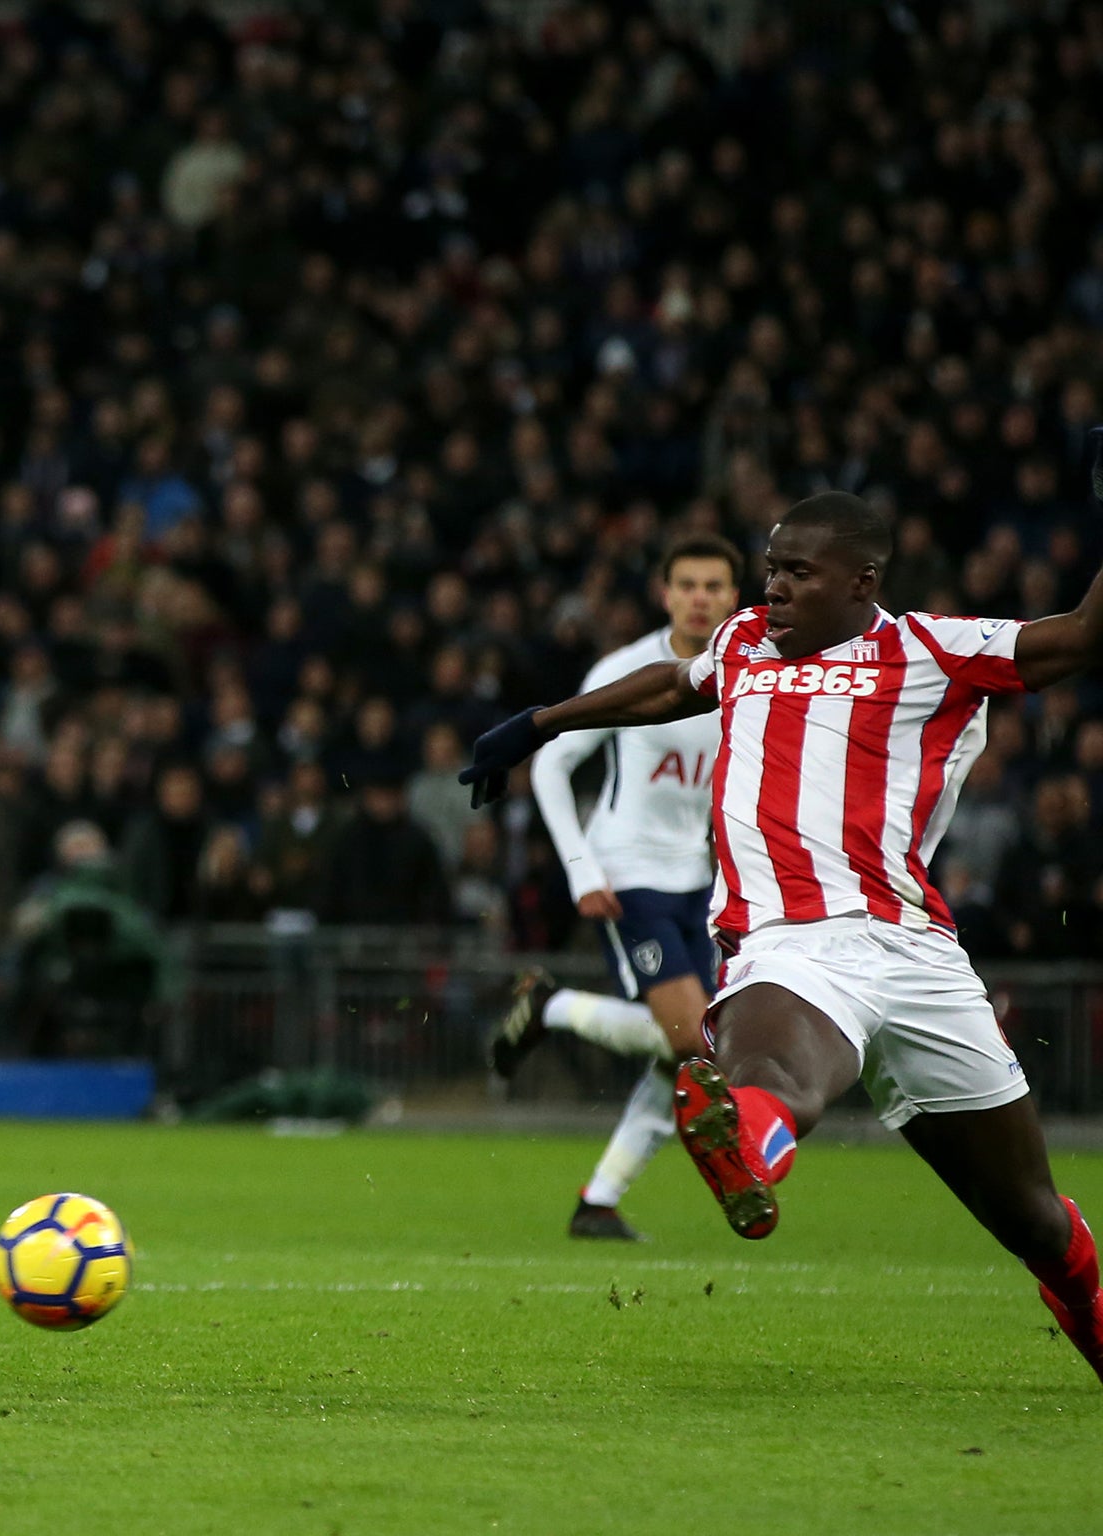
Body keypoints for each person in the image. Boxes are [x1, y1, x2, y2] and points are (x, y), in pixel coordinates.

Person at [461, 471, 1103, 1384]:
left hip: (921, 953)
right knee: (770, 1077)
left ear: (862, 582)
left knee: (1034, 1219)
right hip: (791, 939)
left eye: (797, 573)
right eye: (770, 570)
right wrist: (541, 723)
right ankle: (745, 1146)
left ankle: (1093, 1323)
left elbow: (1084, 636)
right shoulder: (746, 645)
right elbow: (669, 687)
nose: (773, 590)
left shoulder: (937, 651)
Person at [492, 535, 741, 1241]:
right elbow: (551, 764)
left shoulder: (747, 670)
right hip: (628, 874)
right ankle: (553, 1007)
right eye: (687, 584)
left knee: (697, 1053)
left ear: (734, 596)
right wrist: (581, 869)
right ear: (665, 595)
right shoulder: (629, 668)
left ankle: (598, 1201)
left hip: (698, 882)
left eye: (714, 586)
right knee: (694, 1038)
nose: (700, 597)